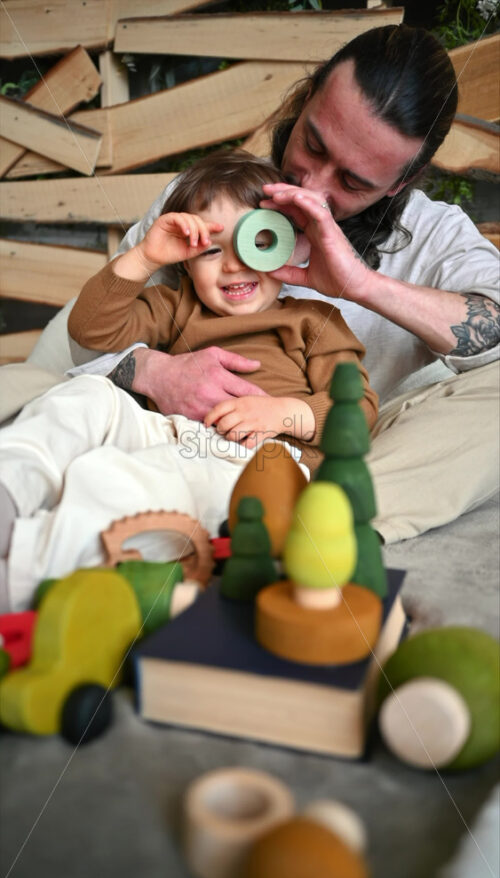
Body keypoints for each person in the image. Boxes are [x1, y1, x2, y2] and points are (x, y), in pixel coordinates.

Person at [1, 24, 498, 543]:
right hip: (165, 424)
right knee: (47, 397)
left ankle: (309, 517)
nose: (312, 187)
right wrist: (155, 371)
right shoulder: (210, 198)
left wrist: (361, 285)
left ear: (400, 181)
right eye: (313, 144)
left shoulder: (432, 239)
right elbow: (94, 340)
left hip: (306, 453)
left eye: (352, 181)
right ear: (306, 98)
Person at [0, 151, 377, 611]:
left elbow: (358, 410)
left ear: (289, 246)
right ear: (185, 262)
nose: (233, 265)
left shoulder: (313, 321)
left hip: (256, 464)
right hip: (162, 427)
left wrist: (283, 413)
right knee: (85, 395)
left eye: (257, 242)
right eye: (211, 250)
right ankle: (10, 487)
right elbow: (90, 330)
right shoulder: (175, 305)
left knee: (130, 481)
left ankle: (23, 569)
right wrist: (143, 257)